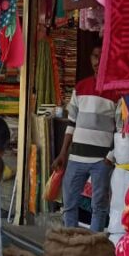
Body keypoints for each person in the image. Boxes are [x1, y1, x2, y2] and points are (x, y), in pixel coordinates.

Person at [51, 44, 117, 232]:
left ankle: (93, 244)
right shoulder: (80, 87)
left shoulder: (116, 91)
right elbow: (71, 123)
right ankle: (71, 241)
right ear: (90, 58)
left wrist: (110, 156)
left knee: (99, 207)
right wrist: (63, 153)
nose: (98, 61)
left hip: (101, 160)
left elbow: (121, 129)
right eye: (95, 56)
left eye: (102, 56)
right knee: (69, 203)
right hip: (76, 158)